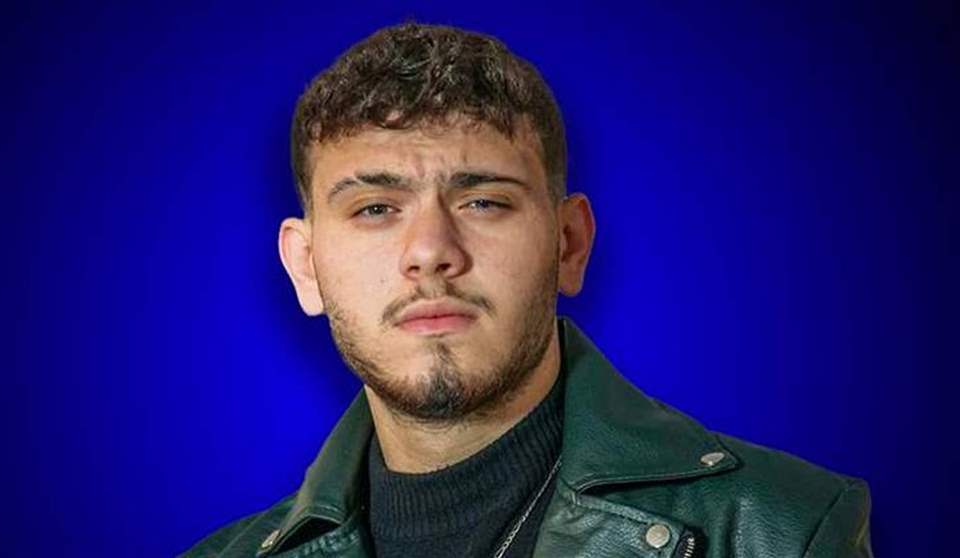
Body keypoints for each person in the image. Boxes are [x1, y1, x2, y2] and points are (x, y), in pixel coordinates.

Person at [182, 22, 872, 558]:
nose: (430, 252)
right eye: (375, 209)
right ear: (305, 267)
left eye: (483, 202)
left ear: (569, 244)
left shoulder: (786, 531)